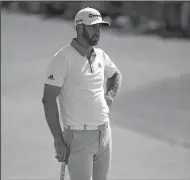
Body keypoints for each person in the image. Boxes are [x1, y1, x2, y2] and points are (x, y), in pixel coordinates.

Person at [42, 7, 122, 180]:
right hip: (78, 138)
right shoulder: (63, 58)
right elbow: (48, 100)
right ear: (79, 28)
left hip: (104, 134)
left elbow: (115, 75)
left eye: (99, 27)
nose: (98, 31)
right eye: (93, 27)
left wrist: (109, 96)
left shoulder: (100, 55)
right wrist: (58, 140)